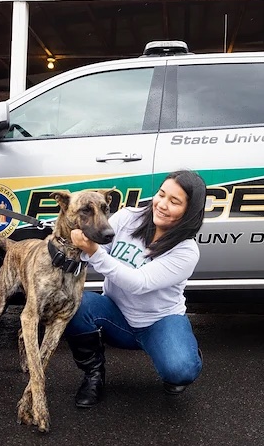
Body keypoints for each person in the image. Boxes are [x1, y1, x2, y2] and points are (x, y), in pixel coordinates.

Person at [65, 169, 207, 407]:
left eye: (174, 202)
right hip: (115, 317)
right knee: (72, 304)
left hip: (158, 322)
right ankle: (93, 376)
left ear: (188, 211)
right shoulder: (129, 217)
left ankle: (185, 352)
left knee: (180, 370)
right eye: (161, 194)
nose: (162, 204)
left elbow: (139, 283)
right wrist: (84, 241)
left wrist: (92, 251)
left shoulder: (186, 251)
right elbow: (100, 249)